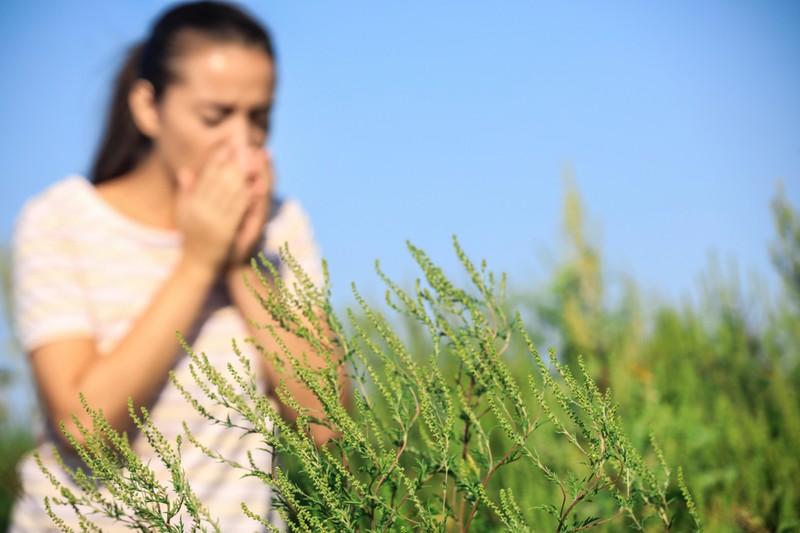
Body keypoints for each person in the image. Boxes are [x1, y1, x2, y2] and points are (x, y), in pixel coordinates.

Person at [10, 2, 335, 530]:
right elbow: (86, 429)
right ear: (148, 107)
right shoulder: (61, 219)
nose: (242, 142)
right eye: (215, 116)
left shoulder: (282, 226)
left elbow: (329, 428)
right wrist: (197, 263)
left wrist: (241, 262)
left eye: (259, 119)